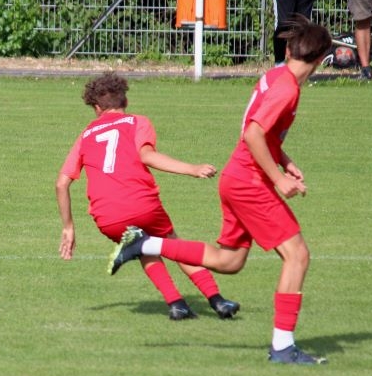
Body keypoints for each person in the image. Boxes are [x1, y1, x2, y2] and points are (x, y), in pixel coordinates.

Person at [108, 17, 333, 364]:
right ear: (321, 59)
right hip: (249, 182)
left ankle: (145, 243)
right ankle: (283, 347)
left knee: (229, 261)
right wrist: (278, 178)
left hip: (238, 177)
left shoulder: (277, 76)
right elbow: (254, 134)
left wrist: (284, 160)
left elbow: (261, 131)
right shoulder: (287, 88)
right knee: (297, 255)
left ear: (289, 50)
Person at [56, 72, 240, 321]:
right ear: (126, 102)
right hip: (142, 205)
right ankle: (217, 300)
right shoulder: (136, 122)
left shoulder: (86, 134)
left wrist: (68, 227)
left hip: (106, 217)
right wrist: (192, 169)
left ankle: (177, 304)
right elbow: (147, 156)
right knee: (172, 244)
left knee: (145, 248)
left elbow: (61, 183)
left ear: (97, 107)